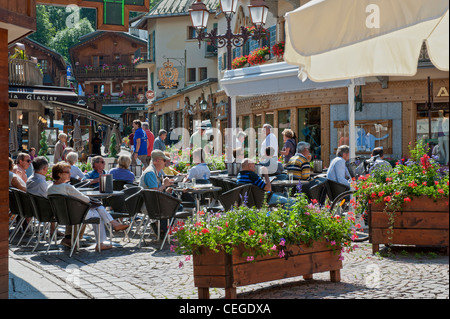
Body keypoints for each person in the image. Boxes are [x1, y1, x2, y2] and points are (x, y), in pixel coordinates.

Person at [48, 162, 128, 251]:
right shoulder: (66, 187)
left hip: (61, 216)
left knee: (99, 209)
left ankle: (114, 225)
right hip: (74, 215)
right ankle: (103, 239)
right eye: (67, 172)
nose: (70, 174)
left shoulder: (50, 188)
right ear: (59, 174)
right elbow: (85, 199)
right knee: (98, 212)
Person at [27, 156, 62, 237]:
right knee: (61, 204)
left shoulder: (30, 179)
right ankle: (67, 234)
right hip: (43, 211)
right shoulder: (40, 182)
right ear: (45, 168)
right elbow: (50, 196)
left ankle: (54, 229)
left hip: (33, 208)